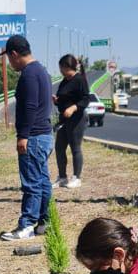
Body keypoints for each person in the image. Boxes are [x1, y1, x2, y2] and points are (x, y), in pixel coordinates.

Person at [0, 35, 54, 241]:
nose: (9, 63)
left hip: (33, 137)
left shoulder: (29, 74)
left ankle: (27, 225)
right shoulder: (42, 70)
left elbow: (30, 106)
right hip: (43, 134)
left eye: (8, 58)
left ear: (14, 54)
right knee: (42, 181)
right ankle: (44, 221)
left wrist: (23, 136)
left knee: (31, 183)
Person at [53, 54, 89, 188]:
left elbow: (86, 99)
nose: (60, 70)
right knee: (59, 147)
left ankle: (76, 177)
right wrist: (57, 101)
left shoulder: (79, 80)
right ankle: (62, 177)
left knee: (75, 147)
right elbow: (63, 98)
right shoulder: (64, 81)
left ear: (67, 67)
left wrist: (73, 108)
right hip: (64, 119)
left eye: (61, 67)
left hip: (77, 118)